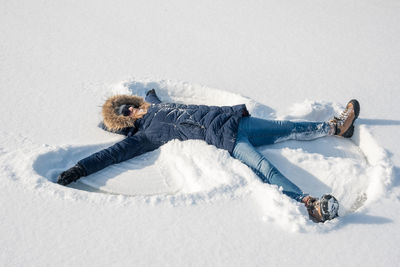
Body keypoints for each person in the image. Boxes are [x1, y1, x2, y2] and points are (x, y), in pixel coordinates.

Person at [57, 89, 360, 223]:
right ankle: (309, 204)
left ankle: (335, 128)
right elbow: (111, 154)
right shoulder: (144, 136)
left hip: (236, 121)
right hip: (226, 139)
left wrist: (148, 94)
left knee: (288, 127)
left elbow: (152, 96)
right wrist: (79, 169)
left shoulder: (153, 105)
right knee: (264, 169)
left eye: (130, 105)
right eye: (126, 113)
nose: (132, 110)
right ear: (127, 121)